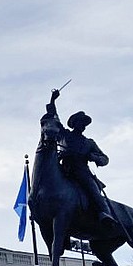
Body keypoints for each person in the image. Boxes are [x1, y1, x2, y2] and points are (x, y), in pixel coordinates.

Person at [46, 88, 116, 227]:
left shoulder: (89, 143)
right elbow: (53, 116)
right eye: (80, 122)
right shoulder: (64, 135)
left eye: (84, 124)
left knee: (92, 189)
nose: (82, 125)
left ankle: (104, 213)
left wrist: (92, 156)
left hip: (81, 170)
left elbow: (105, 159)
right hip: (63, 168)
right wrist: (52, 100)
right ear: (75, 124)